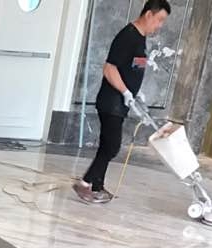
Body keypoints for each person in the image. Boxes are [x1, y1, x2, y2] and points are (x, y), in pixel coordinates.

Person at [73, 0, 170, 204]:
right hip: (112, 102)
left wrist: (134, 93)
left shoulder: (140, 39)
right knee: (112, 146)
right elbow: (109, 68)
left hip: (121, 102)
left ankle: (97, 186)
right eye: (159, 20)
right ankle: (84, 184)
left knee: (106, 145)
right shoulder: (128, 36)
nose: (160, 25)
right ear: (148, 14)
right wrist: (125, 91)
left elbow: (132, 69)